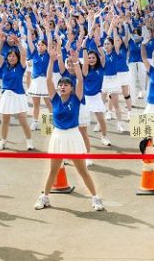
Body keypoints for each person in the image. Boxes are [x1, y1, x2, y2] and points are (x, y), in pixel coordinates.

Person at [34, 41, 104, 211]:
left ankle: (96, 198)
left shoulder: (76, 98)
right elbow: (49, 80)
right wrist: (51, 60)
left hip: (73, 135)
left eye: (66, 85)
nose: (62, 86)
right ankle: (45, 197)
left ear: (72, 88)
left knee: (82, 171)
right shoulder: (55, 99)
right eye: (61, 85)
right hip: (58, 136)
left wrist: (75, 62)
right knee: (53, 170)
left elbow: (80, 79)